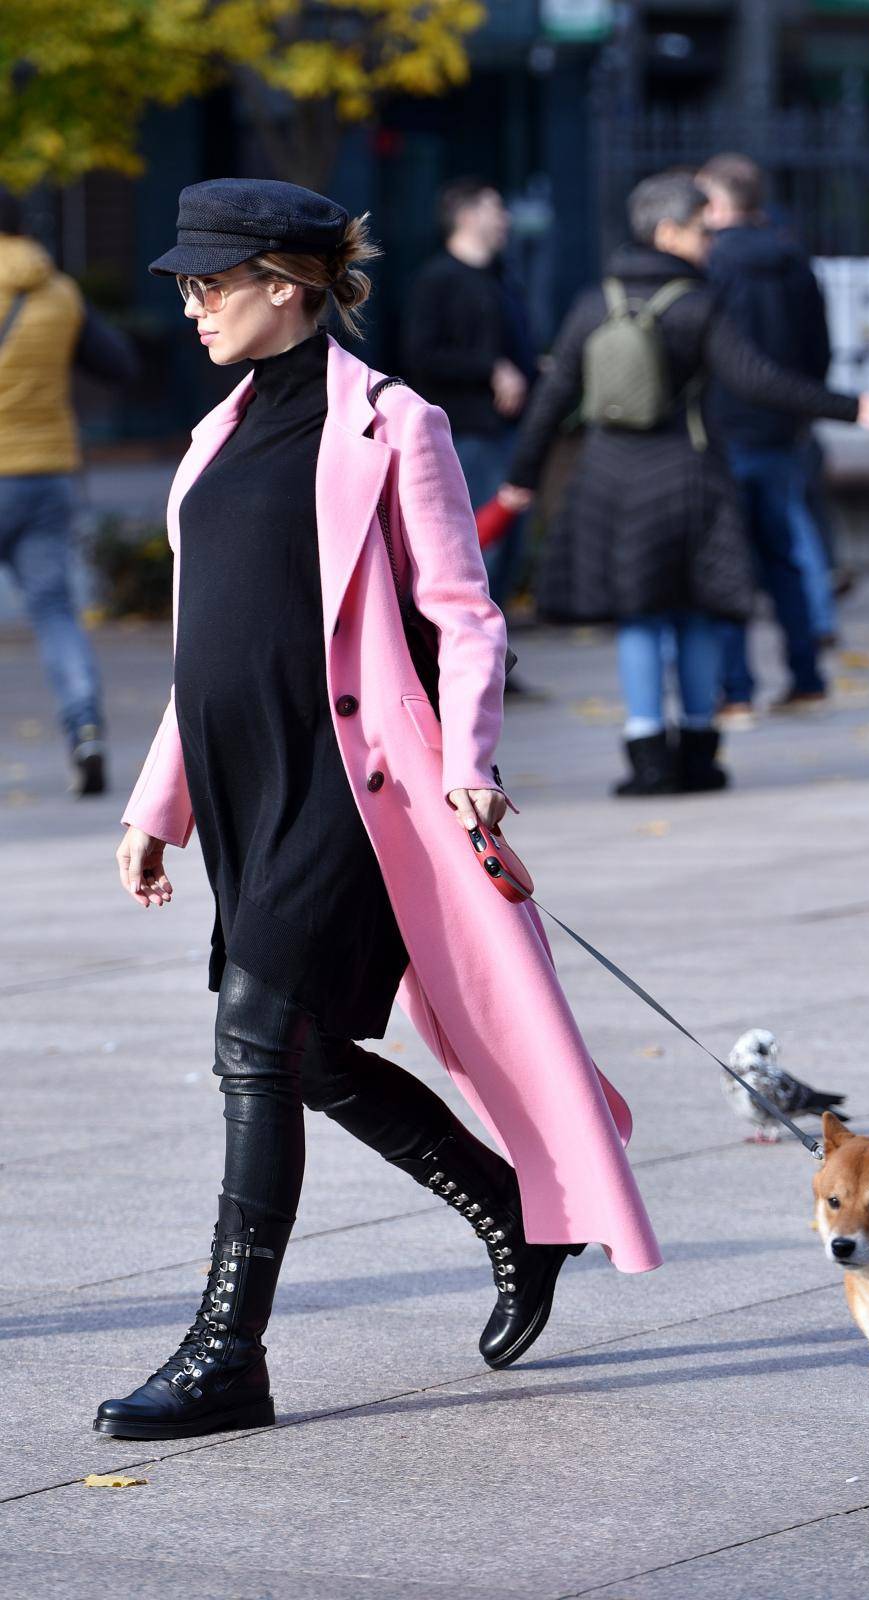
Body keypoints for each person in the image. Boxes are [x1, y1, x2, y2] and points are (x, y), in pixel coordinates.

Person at [94, 178, 660, 1443]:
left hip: (356, 787)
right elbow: (209, 646)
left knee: (253, 1040)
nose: (192, 307)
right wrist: (158, 802)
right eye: (188, 285)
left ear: (286, 286)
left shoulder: (396, 425)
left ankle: (227, 1352)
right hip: (245, 788)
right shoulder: (211, 436)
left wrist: (472, 761)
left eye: (212, 283)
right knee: (291, 1046)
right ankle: (509, 1211)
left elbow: (465, 617)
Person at [498, 172, 869, 798]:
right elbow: (758, 379)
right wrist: (848, 407)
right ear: (668, 232)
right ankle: (701, 753)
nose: (712, 241)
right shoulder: (698, 304)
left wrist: (522, 478)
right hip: (688, 472)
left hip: (611, 477)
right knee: (698, 613)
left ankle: (647, 756)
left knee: (640, 620)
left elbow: (553, 395)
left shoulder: (594, 301)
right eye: (701, 229)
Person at [0, 193, 137, 795]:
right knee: (56, 613)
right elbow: (119, 365)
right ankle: (85, 728)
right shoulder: (57, 292)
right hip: (45, 475)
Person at [697, 152, 840, 725]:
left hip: (723, 427)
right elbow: (818, 348)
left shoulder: (711, 264)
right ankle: (806, 676)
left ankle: (736, 689)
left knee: (726, 563)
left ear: (718, 203)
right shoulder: (793, 261)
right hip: (782, 426)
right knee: (784, 559)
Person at [405, 179, 536, 611]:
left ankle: (498, 663)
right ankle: (471, 663)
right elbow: (421, 357)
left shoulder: (501, 277)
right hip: (466, 433)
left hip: (506, 432)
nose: (505, 219)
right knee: (478, 548)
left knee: (508, 549)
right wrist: (491, 369)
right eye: (494, 208)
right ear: (466, 216)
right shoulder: (437, 279)